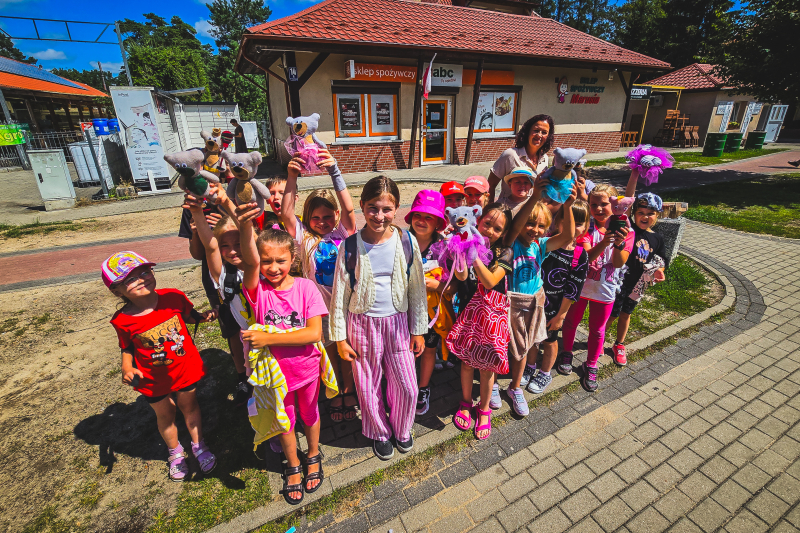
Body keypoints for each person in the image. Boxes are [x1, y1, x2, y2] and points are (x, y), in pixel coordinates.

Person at [329, 176, 427, 461]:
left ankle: (401, 428)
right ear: (362, 206)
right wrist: (339, 339)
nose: (379, 215)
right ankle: (380, 432)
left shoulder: (406, 241)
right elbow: (339, 295)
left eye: (386, 208)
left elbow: (417, 289)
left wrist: (418, 330)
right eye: (372, 208)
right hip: (362, 324)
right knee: (368, 383)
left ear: (396, 208)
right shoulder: (349, 247)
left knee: (407, 386)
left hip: (398, 324)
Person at [236, 210, 329, 505]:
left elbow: (314, 334)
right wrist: (242, 225)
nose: (273, 267)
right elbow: (249, 260)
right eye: (266, 261)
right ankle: (293, 465)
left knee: (310, 415)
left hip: (308, 370)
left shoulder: (306, 288)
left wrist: (268, 338)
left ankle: (313, 454)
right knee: (284, 422)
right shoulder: (256, 291)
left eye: (280, 260)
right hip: (274, 376)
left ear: (293, 259)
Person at [106, 251, 217, 481]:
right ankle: (175, 453)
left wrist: (203, 317)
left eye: (145, 272)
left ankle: (198, 445)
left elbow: (188, 315)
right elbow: (126, 348)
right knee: (165, 415)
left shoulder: (174, 297)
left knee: (190, 406)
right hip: (152, 379)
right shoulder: (122, 321)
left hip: (185, 369)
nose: (141, 279)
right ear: (117, 291)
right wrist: (127, 368)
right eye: (130, 279)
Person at [281, 148, 359, 422]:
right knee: (328, 353)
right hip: (319, 311)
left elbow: (349, 209)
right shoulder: (304, 238)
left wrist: (334, 171)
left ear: (335, 216)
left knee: (347, 352)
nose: (323, 222)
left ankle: (349, 391)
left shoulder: (343, 233)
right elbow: (287, 213)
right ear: (308, 218)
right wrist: (291, 177)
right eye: (316, 218)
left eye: (328, 217)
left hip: (346, 308)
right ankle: (335, 392)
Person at [502, 180, 576, 416]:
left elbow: (567, 237)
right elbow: (515, 226)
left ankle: (515, 388)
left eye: (540, 226)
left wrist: (569, 205)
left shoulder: (540, 245)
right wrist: (534, 198)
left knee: (523, 349)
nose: (534, 229)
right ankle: (492, 384)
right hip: (508, 302)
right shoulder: (510, 242)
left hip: (532, 303)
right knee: (501, 346)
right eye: (530, 224)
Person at [446, 203, 513, 440]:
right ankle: (465, 402)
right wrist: (460, 250)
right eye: (487, 224)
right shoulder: (461, 242)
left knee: (486, 368)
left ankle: (484, 409)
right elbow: (461, 276)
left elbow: (491, 281)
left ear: (503, 233)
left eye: (497, 229)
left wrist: (473, 252)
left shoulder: (505, 252)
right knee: (466, 363)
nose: (490, 231)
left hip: (491, 317)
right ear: (478, 220)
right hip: (467, 311)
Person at [184, 184, 254, 406]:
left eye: (238, 242)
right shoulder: (223, 276)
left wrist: (225, 202)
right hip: (249, 341)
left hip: (275, 336)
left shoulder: (259, 266)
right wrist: (196, 212)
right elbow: (210, 247)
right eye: (226, 245)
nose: (233, 250)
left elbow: (247, 229)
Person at [560, 183, 634, 392]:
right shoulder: (587, 227)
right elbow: (586, 258)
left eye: (604, 204)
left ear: (615, 205)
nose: (599, 208)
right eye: (594, 204)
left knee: (597, 330)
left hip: (605, 289)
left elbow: (619, 263)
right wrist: (603, 243)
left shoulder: (626, 231)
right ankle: (567, 352)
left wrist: (618, 243)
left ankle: (591, 364)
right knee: (571, 322)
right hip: (580, 288)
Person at [528, 200, 589, 395]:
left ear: (587, 226)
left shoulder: (580, 255)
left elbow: (573, 289)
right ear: (558, 222)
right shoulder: (547, 243)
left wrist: (561, 316)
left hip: (555, 306)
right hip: (536, 302)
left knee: (550, 340)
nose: (574, 227)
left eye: (580, 223)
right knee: (532, 339)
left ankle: (545, 373)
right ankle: (529, 367)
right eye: (569, 221)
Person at [608, 169, 668, 365]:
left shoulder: (657, 238)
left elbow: (662, 259)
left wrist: (660, 271)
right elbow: (628, 198)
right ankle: (598, 339)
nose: (645, 217)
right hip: (620, 281)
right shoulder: (629, 228)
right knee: (612, 314)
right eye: (640, 213)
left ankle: (619, 344)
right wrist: (634, 175)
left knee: (626, 314)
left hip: (638, 284)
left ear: (657, 215)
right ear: (633, 214)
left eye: (650, 214)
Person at [405, 190, 450, 416]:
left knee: (428, 350)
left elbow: (452, 286)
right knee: (405, 349)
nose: (422, 221)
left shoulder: (443, 249)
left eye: (429, 217)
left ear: (438, 222)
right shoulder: (401, 241)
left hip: (430, 311)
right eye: (418, 215)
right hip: (402, 309)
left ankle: (423, 388)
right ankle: (405, 384)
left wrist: (437, 286)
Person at [487, 114, 554, 205]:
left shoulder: (545, 159)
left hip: (533, 213)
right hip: (508, 212)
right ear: (527, 132)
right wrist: (489, 208)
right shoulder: (510, 155)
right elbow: (490, 185)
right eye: (536, 130)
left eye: (544, 132)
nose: (539, 135)